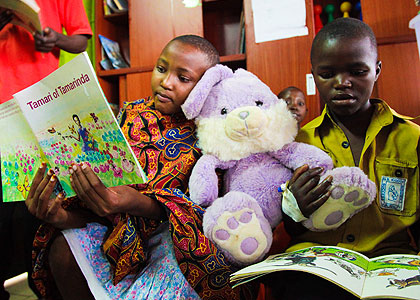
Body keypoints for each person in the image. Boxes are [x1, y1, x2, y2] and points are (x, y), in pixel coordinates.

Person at [25, 35, 251, 300]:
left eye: (183, 78)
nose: (166, 82)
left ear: (206, 87)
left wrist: (136, 202)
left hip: (174, 243)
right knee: (62, 247)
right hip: (115, 231)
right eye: (161, 68)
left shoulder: (212, 132)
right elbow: (102, 206)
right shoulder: (130, 114)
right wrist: (60, 216)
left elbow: (204, 212)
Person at [267, 17, 420, 299]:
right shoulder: (297, 144)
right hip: (317, 264)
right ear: (314, 76)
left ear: (376, 70)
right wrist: (296, 208)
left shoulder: (412, 138)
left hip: (390, 263)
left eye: (357, 71)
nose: (342, 83)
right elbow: (288, 227)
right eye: (327, 74)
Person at [0, 0, 92, 300]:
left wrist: (54, 40)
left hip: (39, 106)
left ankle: (35, 287)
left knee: (34, 202)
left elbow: (80, 40)